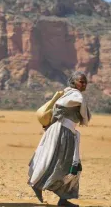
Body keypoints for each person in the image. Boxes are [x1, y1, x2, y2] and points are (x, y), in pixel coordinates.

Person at [28, 71, 92, 207]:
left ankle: (61, 198)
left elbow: (58, 108)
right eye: (82, 81)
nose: (84, 84)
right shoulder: (75, 95)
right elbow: (65, 107)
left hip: (63, 131)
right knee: (67, 166)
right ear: (74, 82)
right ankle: (43, 187)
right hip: (63, 133)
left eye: (85, 81)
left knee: (65, 165)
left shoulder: (67, 94)